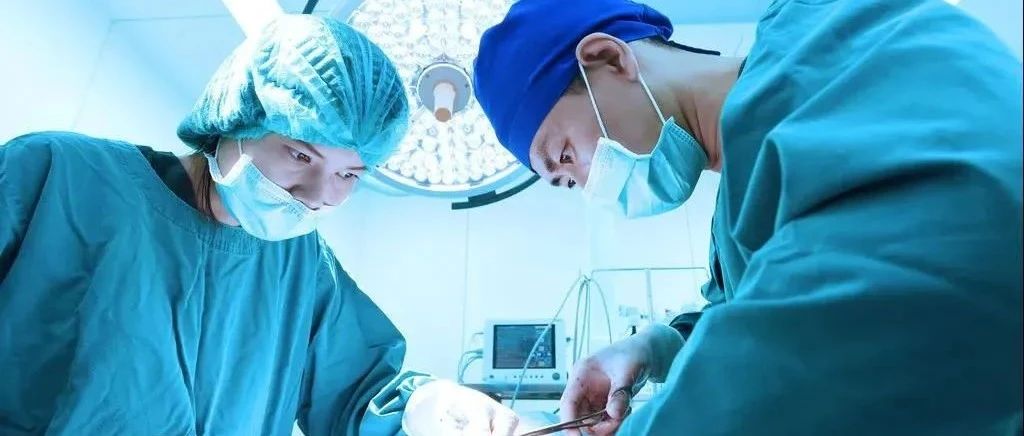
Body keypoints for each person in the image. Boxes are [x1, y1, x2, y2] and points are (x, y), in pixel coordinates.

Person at [472, 0, 1023, 434]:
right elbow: (756, 306)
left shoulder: (841, 30)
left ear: (609, 59)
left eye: (566, 155)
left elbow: (871, 311)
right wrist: (656, 346)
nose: (591, 188)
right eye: (568, 184)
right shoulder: (737, 215)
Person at [0, 15, 518, 436]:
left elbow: (357, 392)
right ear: (237, 117)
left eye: (349, 174)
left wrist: (425, 407)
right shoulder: (55, 176)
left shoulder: (301, 267)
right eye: (300, 154)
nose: (318, 196)